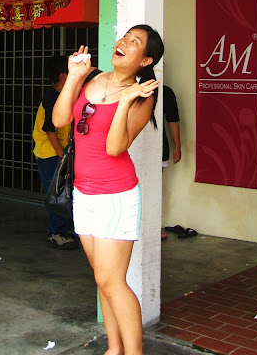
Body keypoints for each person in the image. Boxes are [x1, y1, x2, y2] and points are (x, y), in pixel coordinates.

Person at [53, 24, 163, 355]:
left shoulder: (143, 95)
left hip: (116, 195)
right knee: (102, 278)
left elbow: (115, 147)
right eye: (125, 36)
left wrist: (125, 100)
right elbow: (59, 121)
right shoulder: (91, 78)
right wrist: (74, 76)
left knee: (111, 281)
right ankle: (115, 348)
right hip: (83, 193)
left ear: (145, 60)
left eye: (134, 42)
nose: (123, 42)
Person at [33, 55, 79, 250]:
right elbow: (49, 130)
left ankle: (66, 229)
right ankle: (56, 233)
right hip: (50, 153)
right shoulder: (52, 97)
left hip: (59, 152)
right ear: (63, 75)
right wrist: (63, 156)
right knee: (57, 194)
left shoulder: (63, 95)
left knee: (66, 193)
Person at [161, 84, 182, 240]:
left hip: (159, 147)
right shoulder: (129, 88)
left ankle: (153, 226)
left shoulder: (166, 92)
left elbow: (173, 120)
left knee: (154, 188)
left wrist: (177, 146)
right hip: (128, 146)